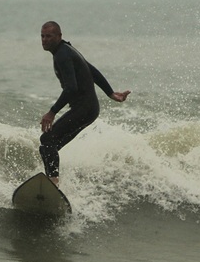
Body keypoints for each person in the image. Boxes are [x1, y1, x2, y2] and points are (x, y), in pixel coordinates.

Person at [38, 21, 131, 186]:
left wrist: (52, 112)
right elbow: (92, 70)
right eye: (42, 36)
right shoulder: (67, 50)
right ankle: (54, 183)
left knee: (47, 141)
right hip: (89, 109)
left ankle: (53, 181)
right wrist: (110, 93)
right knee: (48, 147)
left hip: (84, 109)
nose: (45, 40)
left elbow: (71, 88)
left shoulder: (62, 54)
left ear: (59, 36)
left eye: (49, 36)